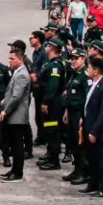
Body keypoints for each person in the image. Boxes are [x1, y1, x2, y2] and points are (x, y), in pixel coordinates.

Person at [80, 57, 103, 198]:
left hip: (100, 131)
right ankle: (93, 184)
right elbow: (89, 106)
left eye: (89, 68)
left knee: (102, 160)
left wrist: (95, 131)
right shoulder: (93, 84)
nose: (87, 70)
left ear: (96, 71)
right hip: (89, 127)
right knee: (92, 158)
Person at [0, 50, 31, 183]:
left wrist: (5, 110)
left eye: (12, 59)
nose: (9, 61)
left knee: (17, 145)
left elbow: (16, 96)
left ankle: (18, 173)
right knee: (13, 143)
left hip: (17, 116)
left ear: (20, 59)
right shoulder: (17, 72)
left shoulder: (22, 75)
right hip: (14, 115)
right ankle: (14, 169)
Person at [61, 48, 91, 185]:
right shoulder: (74, 73)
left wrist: (82, 118)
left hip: (79, 114)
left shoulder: (85, 75)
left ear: (83, 59)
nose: (73, 61)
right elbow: (70, 95)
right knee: (73, 143)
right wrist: (67, 111)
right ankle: (77, 169)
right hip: (71, 112)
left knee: (80, 145)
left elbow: (87, 98)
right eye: (71, 58)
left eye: (76, 58)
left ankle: (85, 173)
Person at [38, 38, 67, 171]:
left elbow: (53, 85)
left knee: (52, 128)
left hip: (53, 102)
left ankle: (54, 160)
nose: (46, 47)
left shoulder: (55, 65)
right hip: (51, 100)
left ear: (51, 48)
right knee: (48, 127)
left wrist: (46, 102)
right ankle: (50, 153)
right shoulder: (51, 63)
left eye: (48, 46)